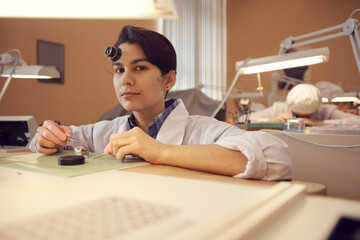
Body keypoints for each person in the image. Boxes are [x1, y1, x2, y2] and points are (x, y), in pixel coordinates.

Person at [29, 25, 291, 180]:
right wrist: (46, 137)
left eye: (140, 68)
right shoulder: (106, 131)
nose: (126, 81)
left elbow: (277, 157)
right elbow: (42, 143)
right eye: (119, 70)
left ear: (169, 79)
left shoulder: (202, 131)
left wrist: (160, 151)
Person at [249, 83, 360, 126]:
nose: (301, 119)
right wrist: (271, 121)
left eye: (307, 116)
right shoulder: (280, 108)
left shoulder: (325, 111)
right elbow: (246, 119)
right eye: (296, 115)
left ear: (315, 109)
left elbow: (357, 122)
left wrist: (319, 123)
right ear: (291, 109)